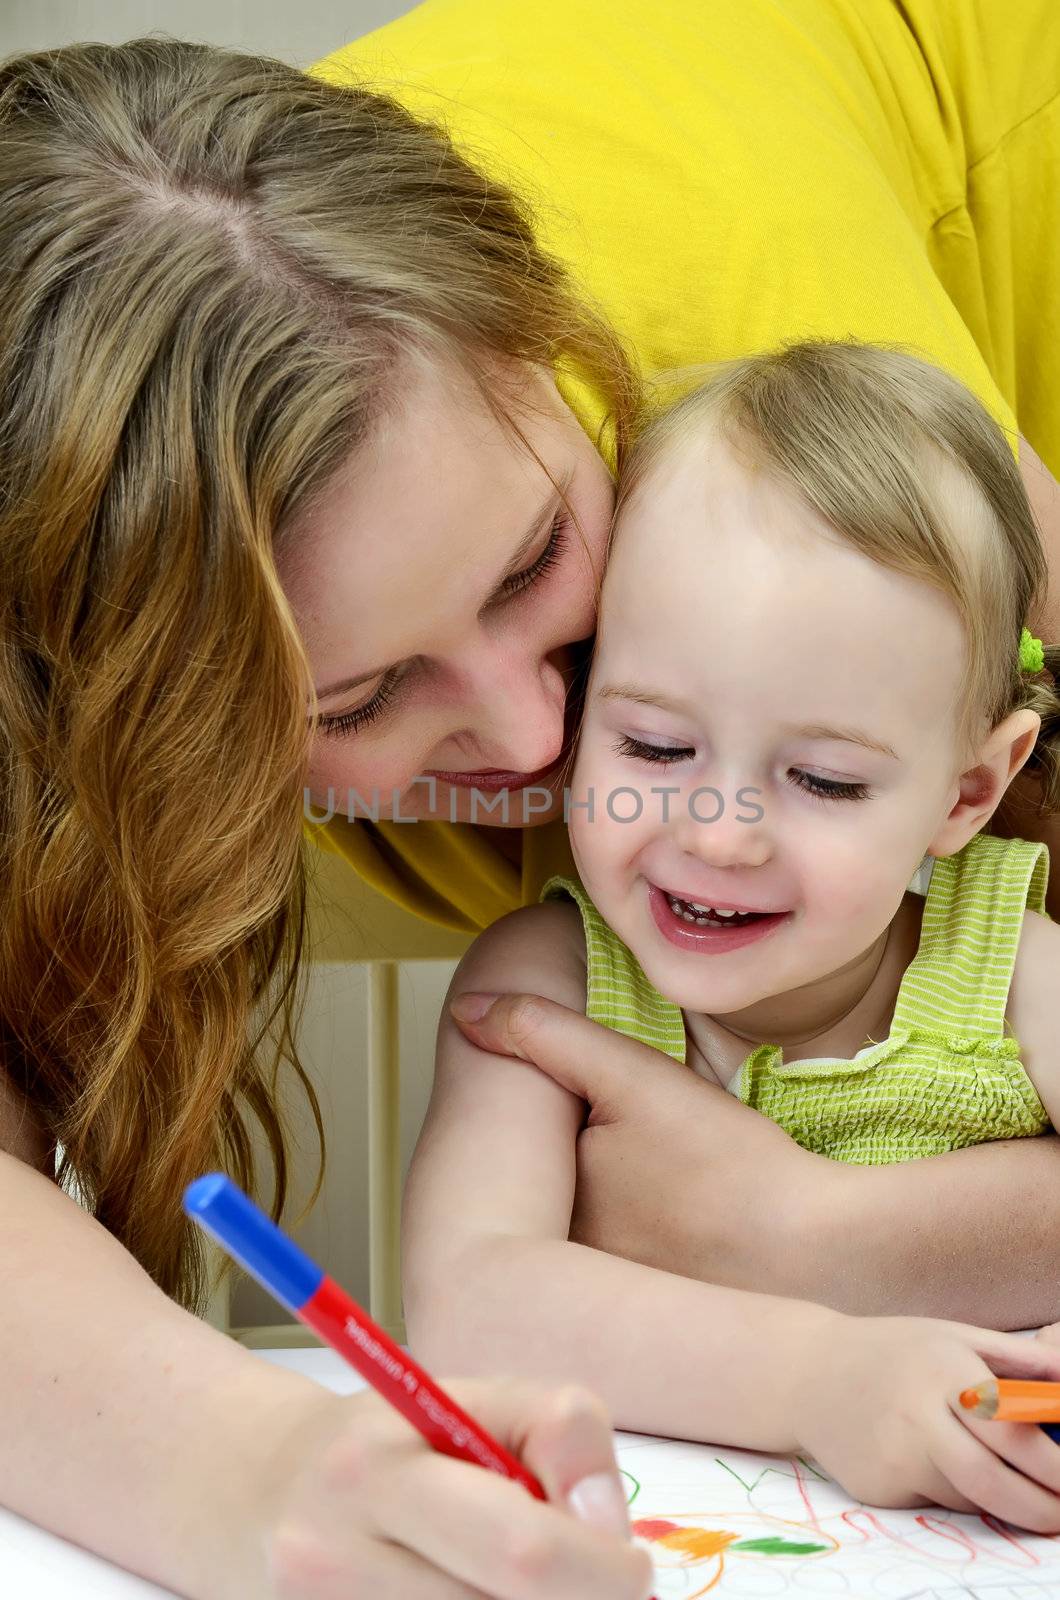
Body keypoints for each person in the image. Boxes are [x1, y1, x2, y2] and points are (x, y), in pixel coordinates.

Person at [0, 9, 1056, 1587]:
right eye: (355, 700)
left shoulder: (821, 460)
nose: (534, 734)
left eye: (534, 561)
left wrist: (816, 1242)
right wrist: (249, 1473)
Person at [403, 341, 1060, 1527]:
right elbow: (467, 1304)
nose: (719, 834)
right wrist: (816, 1377)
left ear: (967, 792)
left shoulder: (1015, 968)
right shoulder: (544, 987)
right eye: (653, 747)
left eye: (822, 779)